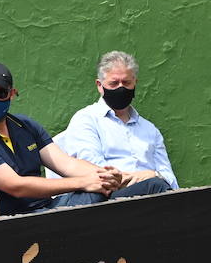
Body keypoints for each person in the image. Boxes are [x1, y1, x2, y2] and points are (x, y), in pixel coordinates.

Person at [0, 62, 168, 216]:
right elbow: (16, 185)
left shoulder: (25, 126)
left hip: (48, 210)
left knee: (154, 187)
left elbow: (67, 164)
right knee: (93, 196)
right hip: (15, 220)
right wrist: (83, 183)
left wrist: (110, 176)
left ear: (12, 94)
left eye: (1, 93)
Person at [63, 50, 178, 190]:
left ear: (135, 83)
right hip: (109, 199)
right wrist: (139, 179)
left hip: (154, 193)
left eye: (126, 82)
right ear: (100, 85)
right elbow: (94, 171)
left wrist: (152, 174)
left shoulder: (150, 130)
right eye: (114, 83)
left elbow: (170, 178)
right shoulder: (86, 120)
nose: (121, 88)